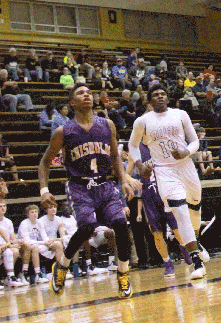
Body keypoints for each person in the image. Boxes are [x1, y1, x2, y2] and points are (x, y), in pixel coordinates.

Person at [38, 84, 140, 299]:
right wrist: (44, 190)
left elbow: (114, 156)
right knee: (86, 227)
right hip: (79, 185)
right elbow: (45, 162)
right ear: (72, 103)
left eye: (88, 92)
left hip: (104, 183)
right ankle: (62, 266)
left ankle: (123, 273)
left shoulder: (107, 125)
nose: (86, 95)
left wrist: (122, 180)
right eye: (80, 93)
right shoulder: (63, 131)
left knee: (121, 224)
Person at [128, 82, 209, 280]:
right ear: (149, 100)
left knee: (194, 208)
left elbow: (195, 141)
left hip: (186, 166)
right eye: (155, 94)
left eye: (163, 93)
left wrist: (186, 151)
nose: (160, 97)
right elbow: (132, 145)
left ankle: (195, 240)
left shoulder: (180, 115)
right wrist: (139, 165)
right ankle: (197, 262)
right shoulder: (142, 121)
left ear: (168, 97)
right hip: (164, 171)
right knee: (180, 212)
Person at [126, 141, 194, 278]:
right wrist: (130, 180)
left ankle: (183, 247)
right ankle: (167, 263)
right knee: (157, 232)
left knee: (177, 229)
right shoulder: (135, 148)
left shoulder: (161, 142)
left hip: (167, 190)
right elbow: (125, 173)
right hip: (149, 195)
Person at [17, 204, 52, 283]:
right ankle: (33, 273)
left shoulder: (39, 222)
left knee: (55, 245)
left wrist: (48, 242)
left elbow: (44, 236)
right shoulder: (24, 223)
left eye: (36, 212)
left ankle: (51, 271)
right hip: (23, 246)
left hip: (35, 244)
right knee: (34, 247)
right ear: (27, 214)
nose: (34, 214)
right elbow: (27, 240)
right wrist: (44, 242)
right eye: (32, 212)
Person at [0, 200, 25, 286]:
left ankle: (10, 277)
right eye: (0, 206)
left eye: (4, 206)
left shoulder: (8, 221)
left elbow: (12, 238)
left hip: (6, 246)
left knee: (12, 251)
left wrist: (18, 241)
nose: (3, 208)